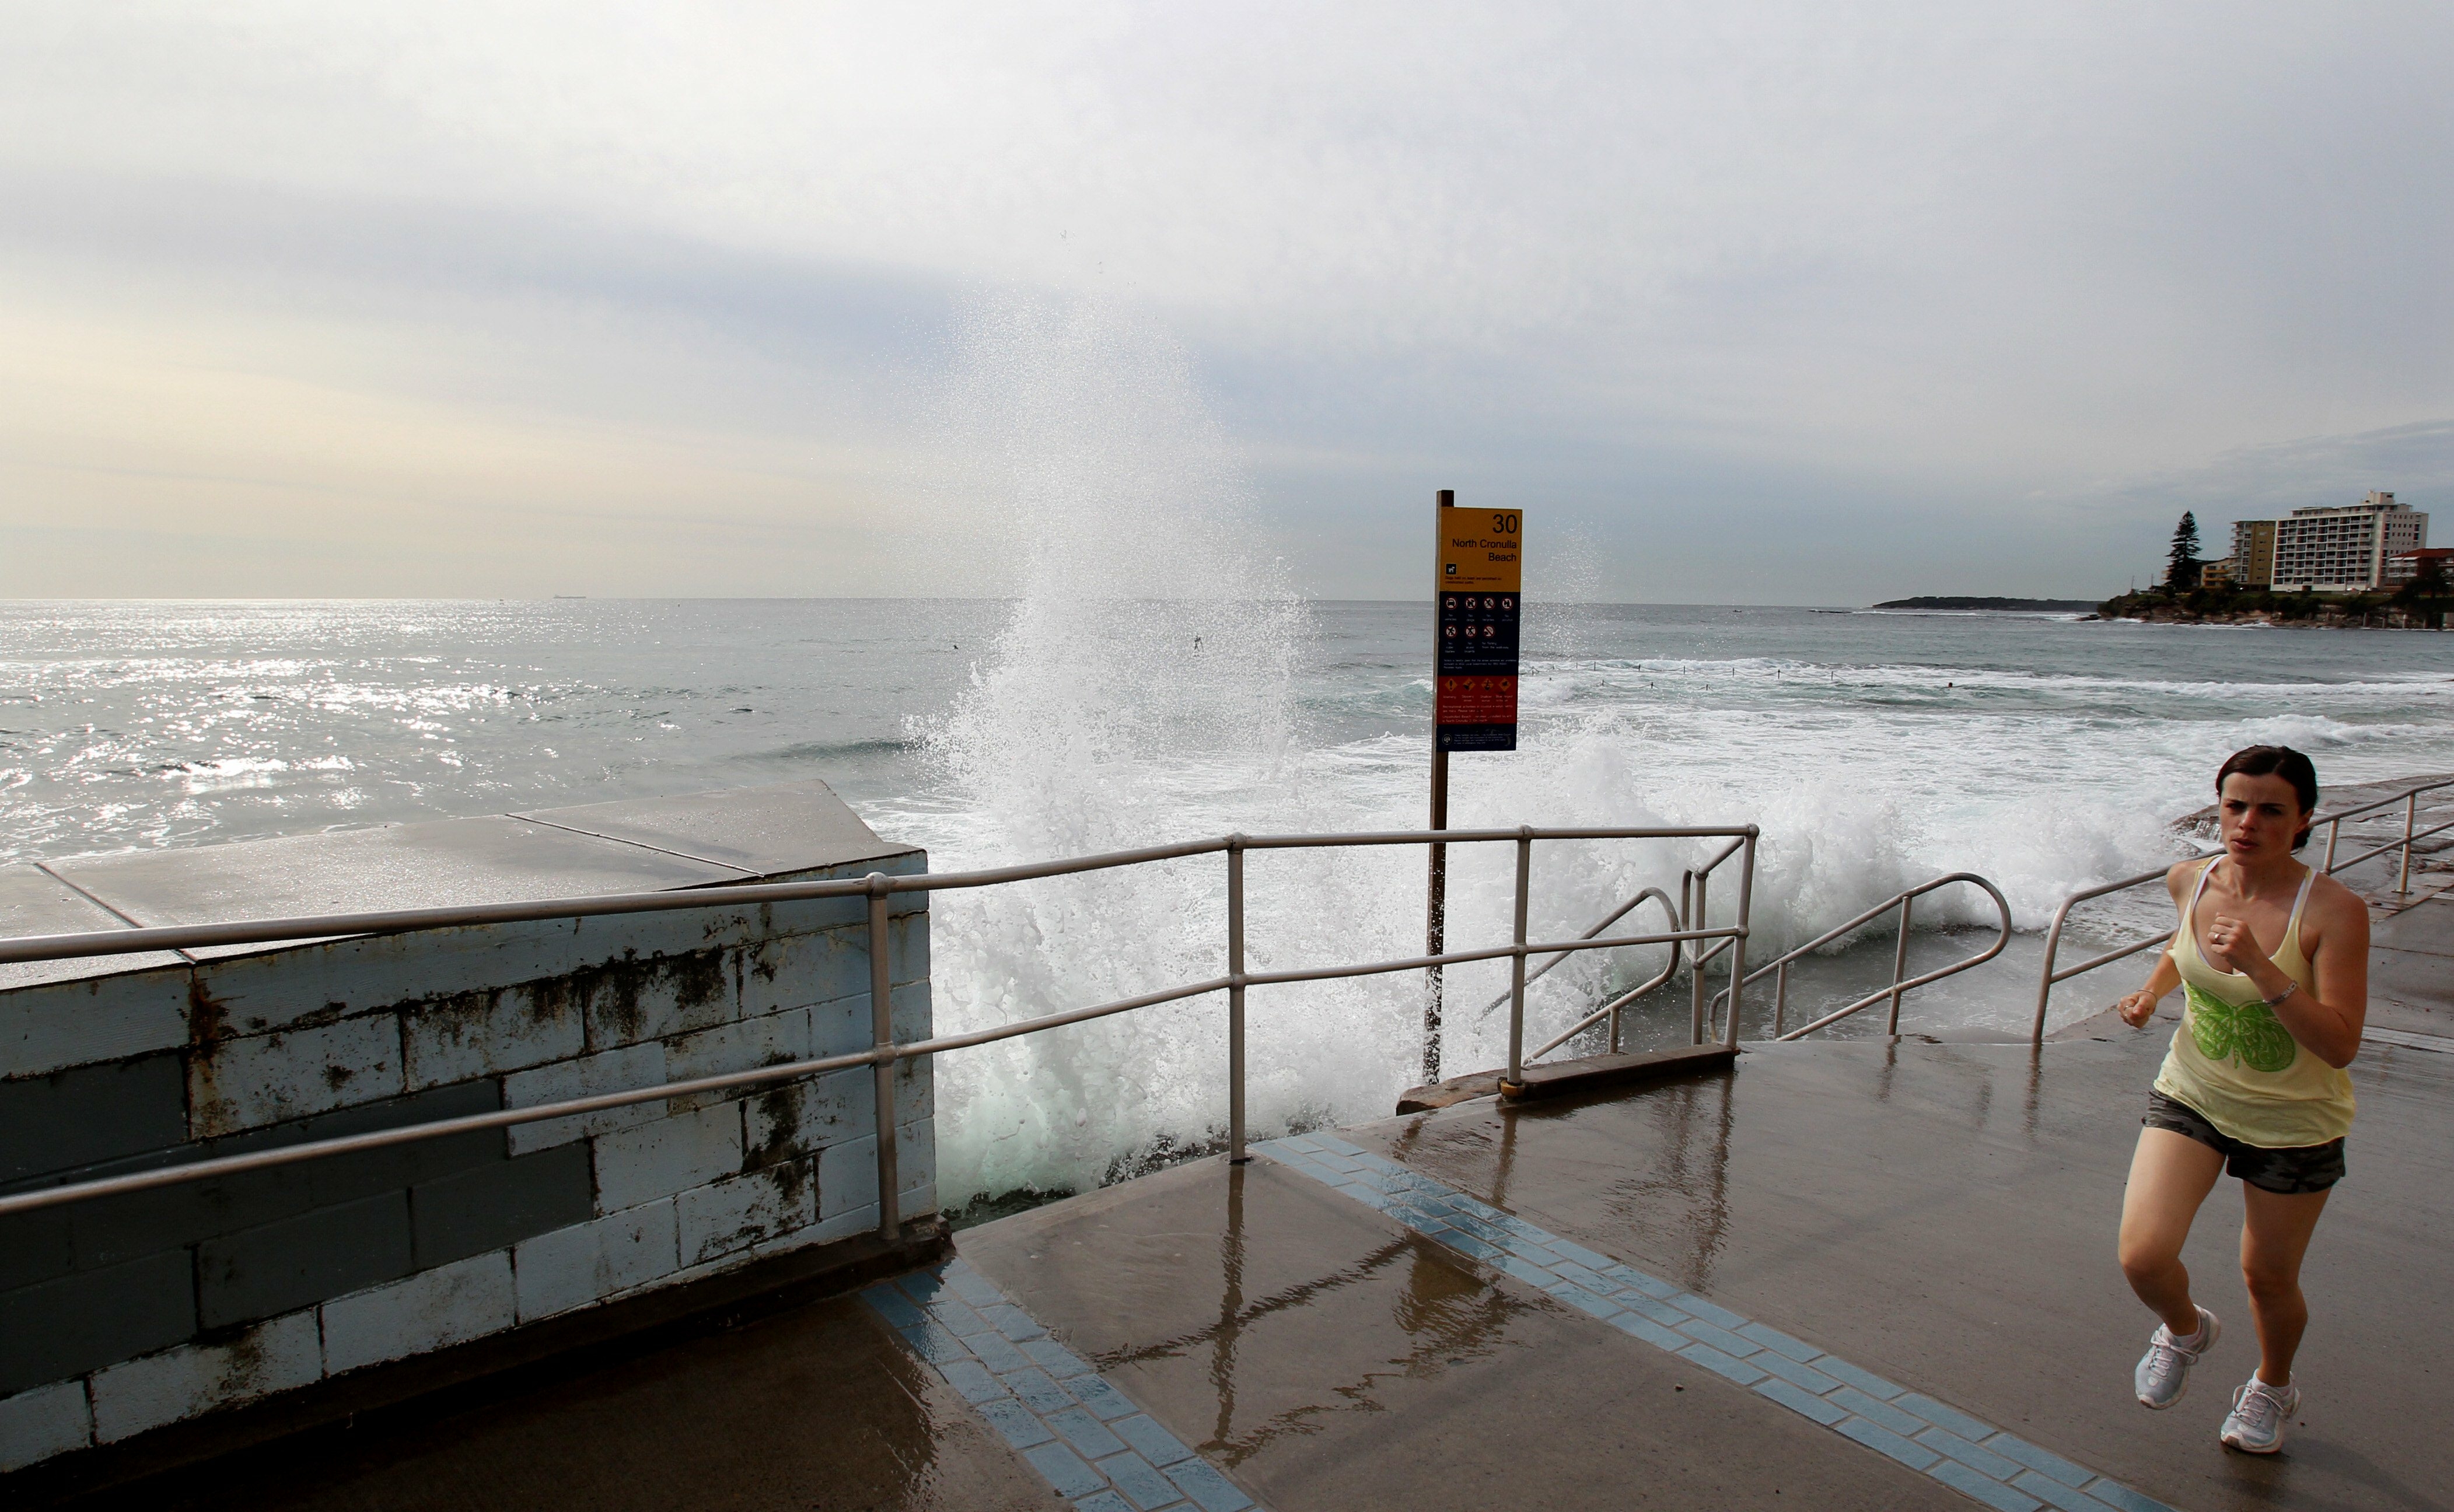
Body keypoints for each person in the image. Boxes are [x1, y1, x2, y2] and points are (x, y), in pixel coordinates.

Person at [2113, 745, 2366, 1454]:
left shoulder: (2336, 912)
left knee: (2268, 1277)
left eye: (2270, 810)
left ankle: (2272, 1387)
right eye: (2235, 806)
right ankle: (2187, 1331)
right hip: (2192, 1093)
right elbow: (2181, 945)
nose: (2248, 823)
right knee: (2142, 1255)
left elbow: (2342, 1044)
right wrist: (2151, 992)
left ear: (2305, 818)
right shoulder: (2189, 879)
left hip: (2294, 1123)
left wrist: (2260, 965)